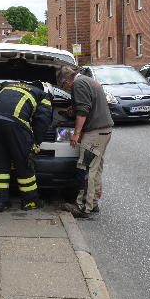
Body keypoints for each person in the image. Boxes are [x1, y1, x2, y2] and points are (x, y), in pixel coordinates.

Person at [0, 81, 52, 212]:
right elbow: (42, 122)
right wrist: (35, 143)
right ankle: (30, 201)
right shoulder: (43, 96)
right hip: (15, 124)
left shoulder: (7, 84)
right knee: (24, 163)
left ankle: (0, 202)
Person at [56, 67, 113, 218]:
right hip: (104, 130)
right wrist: (74, 108)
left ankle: (83, 207)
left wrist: (76, 133)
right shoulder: (88, 80)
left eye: (63, 86)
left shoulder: (78, 84)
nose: (66, 89)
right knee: (96, 168)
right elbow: (87, 105)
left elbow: (83, 110)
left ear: (67, 80)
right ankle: (93, 203)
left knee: (86, 168)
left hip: (94, 132)